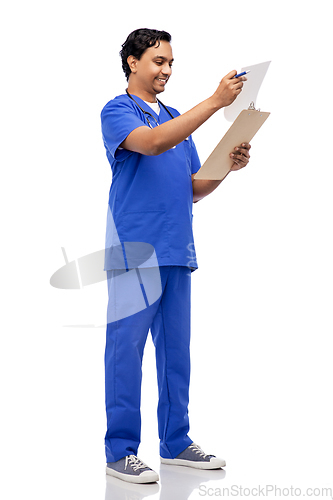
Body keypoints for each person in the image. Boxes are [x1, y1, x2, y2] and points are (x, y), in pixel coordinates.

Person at [101, 28, 250, 484]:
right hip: (135, 252)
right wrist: (215, 102)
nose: (165, 70)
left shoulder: (175, 116)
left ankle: (176, 442)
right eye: (157, 62)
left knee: (175, 353)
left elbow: (193, 189)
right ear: (132, 62)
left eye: (170, 63)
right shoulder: (118, 111)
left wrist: (228, 162)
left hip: (177, 251)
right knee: (125, 352)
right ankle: (121, 451)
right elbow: (152, 143)